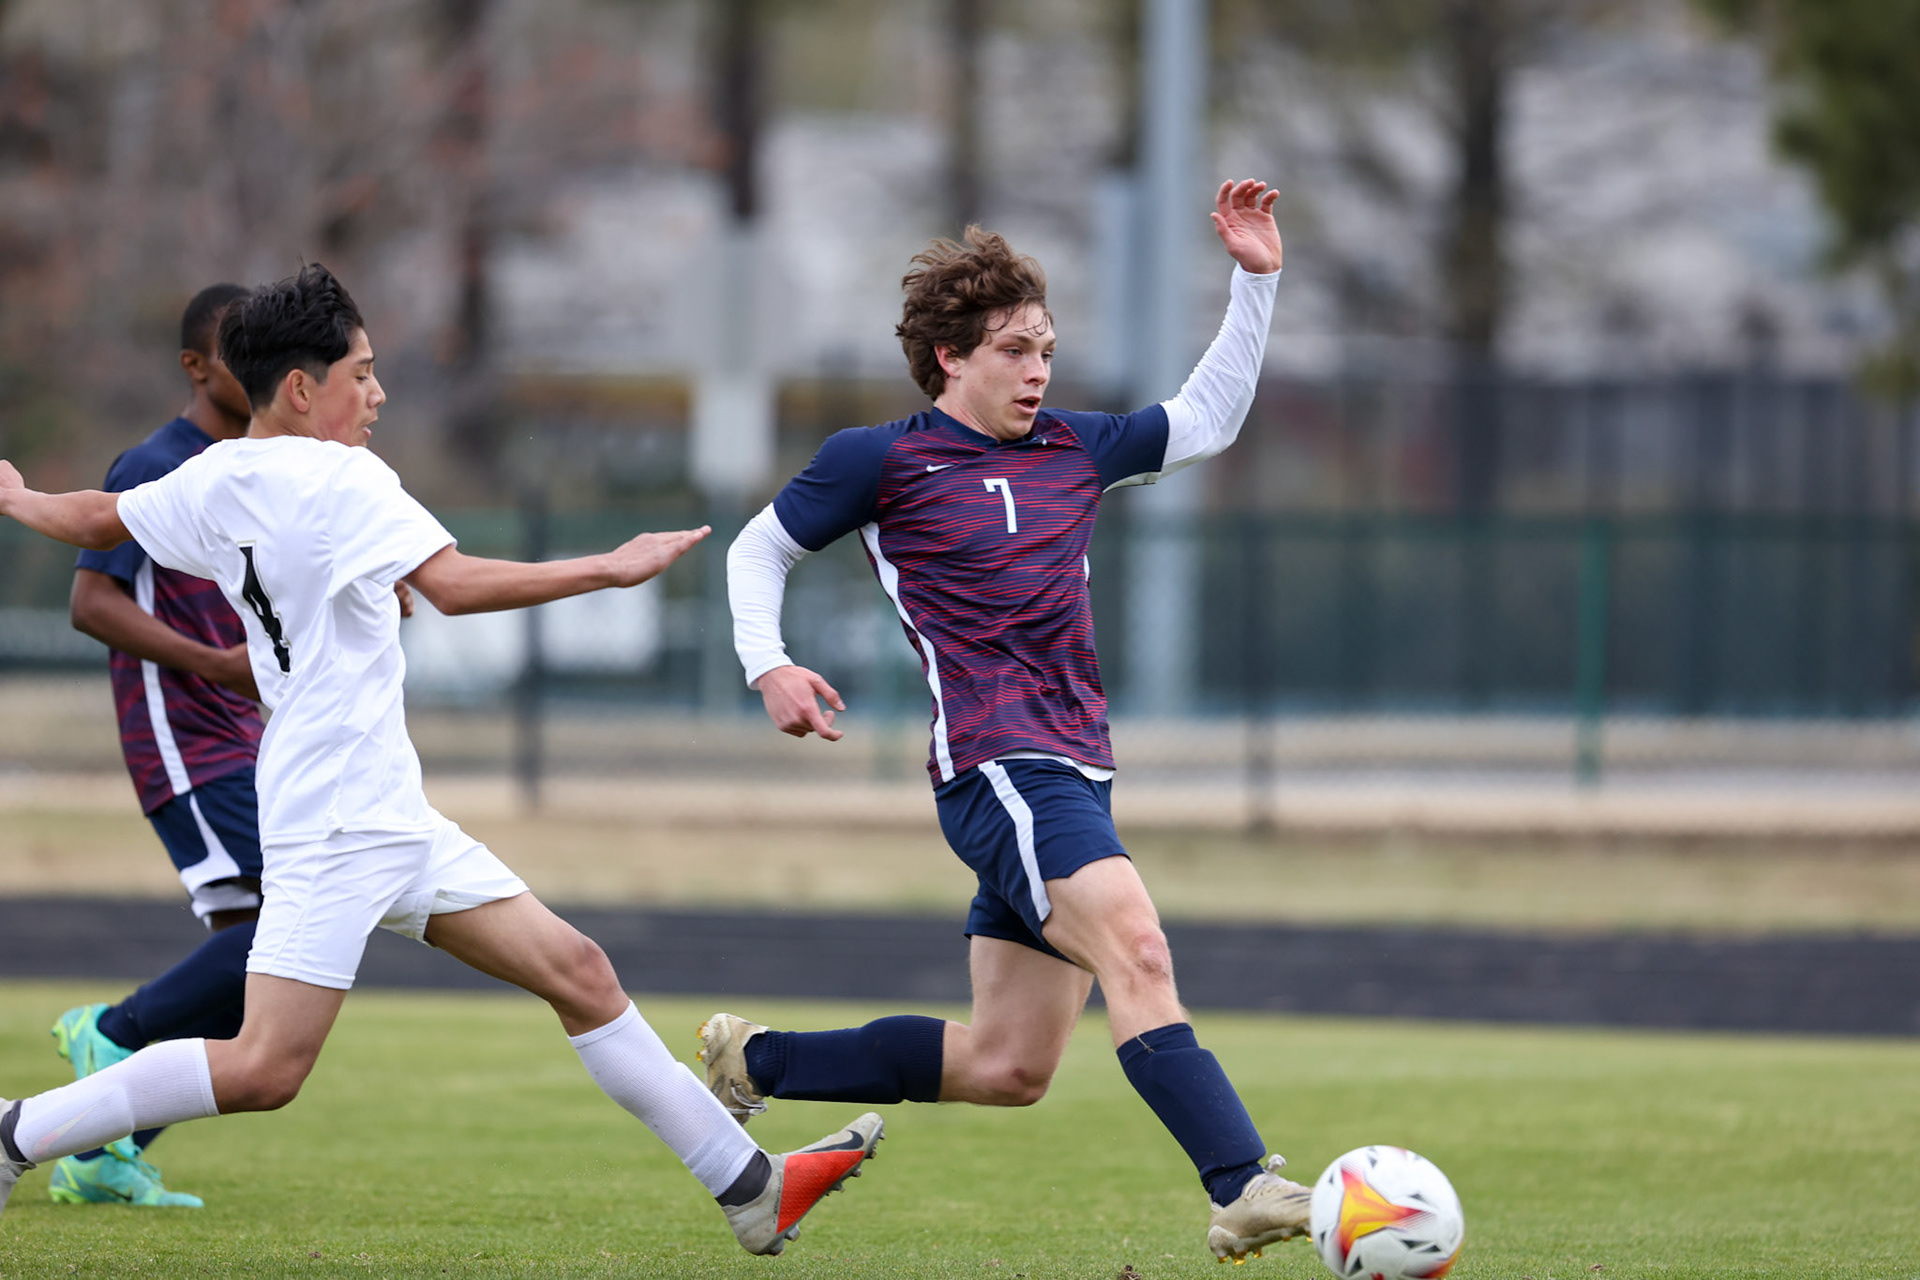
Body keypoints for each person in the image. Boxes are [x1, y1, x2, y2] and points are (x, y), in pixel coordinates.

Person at [0, 264, 883, 1254]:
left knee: (580, 971)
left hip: (379, 808)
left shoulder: (213, 476)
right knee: (263, 1068)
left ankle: (748, 1184)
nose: (377, 396)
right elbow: (454, 585)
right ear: (301, 387)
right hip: (339, 815)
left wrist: (21, 496)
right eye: (364, 374)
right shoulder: (342, 475)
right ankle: (14, 1132)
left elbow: (99, 518)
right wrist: (608, 564)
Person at [707, 179, 1300, 1264]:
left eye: (1047, 349)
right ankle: (1241, 1183)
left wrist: (1254, 280)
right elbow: (760, 549)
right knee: (1139, 943)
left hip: (1073, 768)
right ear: (952, 359)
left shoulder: (1075, 446)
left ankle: (755, 1061)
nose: (1039, 370)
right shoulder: (879, 460)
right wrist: (769, 663)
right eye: (1017, 350)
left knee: (1009, 1066)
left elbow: (1206, 417)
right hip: (998, 766)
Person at [49, 282, 266, 1209]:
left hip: (247, 740)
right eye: (234, 353)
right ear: (194, 366)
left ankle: (101, 1148)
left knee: (253, 986)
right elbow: (89, 600)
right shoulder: (154, 463)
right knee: (287, 926)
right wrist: (211, 666)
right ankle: (110, 1026)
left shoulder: (259, 468)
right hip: (185, 743)